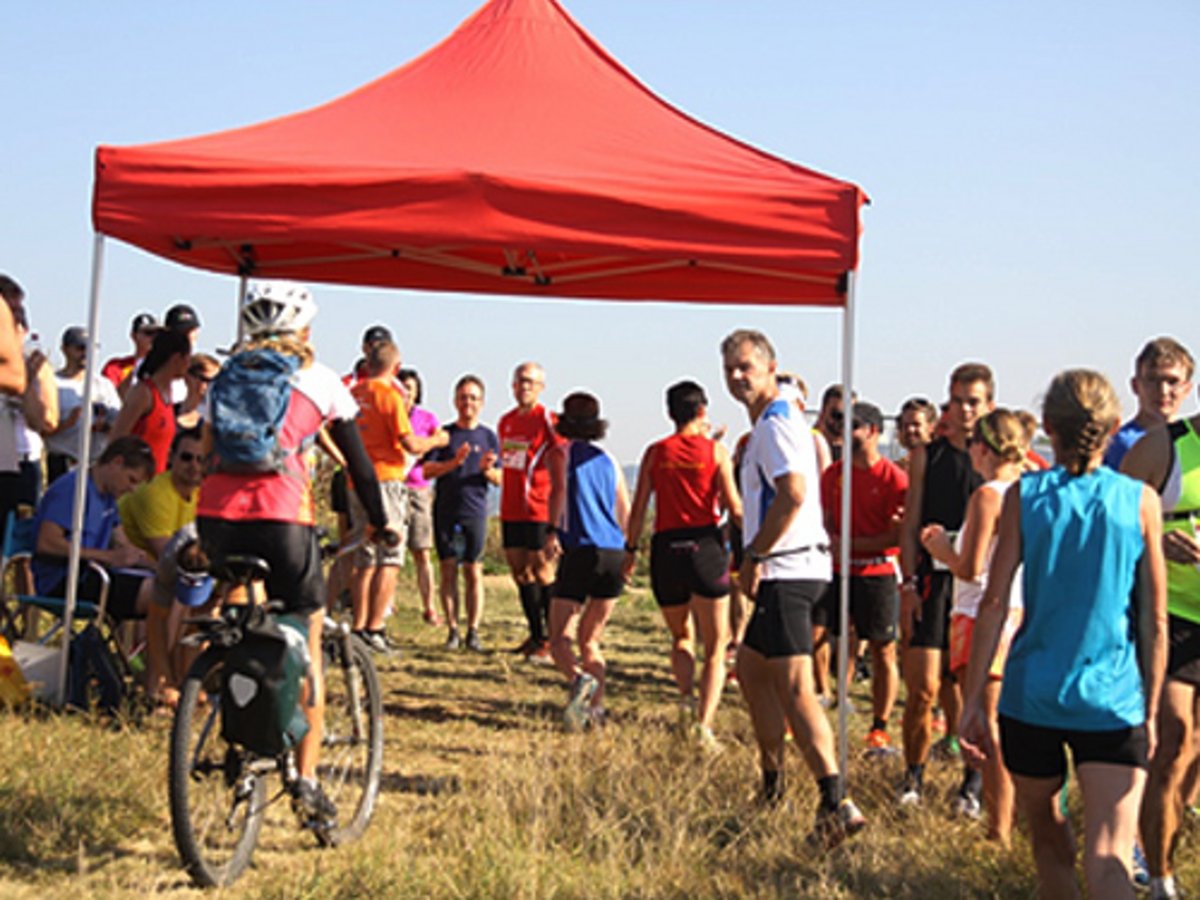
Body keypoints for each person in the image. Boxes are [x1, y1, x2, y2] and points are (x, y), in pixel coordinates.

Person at [961, 369, 1167, 899]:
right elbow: (1156, 618)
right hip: (1114, 698)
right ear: (1116, 426)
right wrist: (1150, 707)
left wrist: (971, 701)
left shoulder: (1024, 496)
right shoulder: (1140, 501)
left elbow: (992, 601)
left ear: (1047, 428)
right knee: (1109, 858)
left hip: (1032, 696)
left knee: (1050, 846)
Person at [197, 280, 391, 827]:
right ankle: (305, 782)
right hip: (283, 520)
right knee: (305, 639)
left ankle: (231, 716)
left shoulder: (223, 378)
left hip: (217, 518)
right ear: (305, 329)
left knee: (239, 620)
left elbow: (204, 454)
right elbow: (360, 467)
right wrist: (380, 523)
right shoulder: (322, 379)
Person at [720, 329, 865, 846]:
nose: (738, 376)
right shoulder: (776, 419)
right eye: (731, 369)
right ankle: (772, 785)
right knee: (752, 670)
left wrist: (756, 553)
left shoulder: (778, 423)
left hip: (788, 569)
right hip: (795, 567)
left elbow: (795, 494)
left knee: (798, 689)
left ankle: (836, 799)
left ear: (770, 366)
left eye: (747, 367)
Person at [920, 408, 1027, 844]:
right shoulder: (1027, 489)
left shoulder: (987, 496)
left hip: (980, 613)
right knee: (1005, 723)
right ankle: (1008, 819)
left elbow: (970, 567)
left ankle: (999, 827)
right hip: (1018, 611)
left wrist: (941, 547)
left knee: (988, 724)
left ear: (982, 448)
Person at [624, 380, 741, 748]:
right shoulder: (715, 452)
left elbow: (640, 506)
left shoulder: (655, 452)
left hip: (666, 549)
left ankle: (686, 700)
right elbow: (735, 508)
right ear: (702, 411)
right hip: (705, 547)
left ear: (669, 413)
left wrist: (631, 550)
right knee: (717, 646)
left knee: (681, 637)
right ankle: (703, 727)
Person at [897, 363, 993, 806]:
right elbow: (911, 519)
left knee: (972, 689)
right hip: (933, 581)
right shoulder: (927, 454)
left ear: (989, 403)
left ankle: (972, 786)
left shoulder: (1000, 457)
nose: (965, 409)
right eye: (957, 400)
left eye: (974, 401)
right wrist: (908, 582)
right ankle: (912, 779)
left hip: (980, 586)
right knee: (923, 687)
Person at [1122, 381, 1200, 899]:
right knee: (1171, 738)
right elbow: (1109, 516)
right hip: (1172, 613)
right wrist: (1155, 539)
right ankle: (1162, 878)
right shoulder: (1166, 446)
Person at [818, 401, 907, 755]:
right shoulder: (833, 475)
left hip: (878, 573)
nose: (844, 432)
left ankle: (880, 725)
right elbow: (826, 519)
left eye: (853, 425)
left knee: (884, 648)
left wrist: (851, 544)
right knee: (829, 637)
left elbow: (895, 536)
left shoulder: (893, 478)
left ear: (872, 431)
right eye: (840, 424)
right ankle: (830, 701)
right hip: (838, 573)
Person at [348, 340, 448, 652]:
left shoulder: (355, 394)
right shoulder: (390, 397)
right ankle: (375, 626)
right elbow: (411, 445)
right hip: (387, 478)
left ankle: (358, 625)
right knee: (389, 555)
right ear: (396, 367)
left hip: (356, 480)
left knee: (364, 556)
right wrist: (437, 440)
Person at [544, 392, 629, 731]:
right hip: (613, 551)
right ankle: (595, 711)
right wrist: (630, 550)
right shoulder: (609, 459)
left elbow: (558, 493)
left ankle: (579, 680)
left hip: (580, 549)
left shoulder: (559, 454)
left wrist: (551, 531)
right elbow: (623, 506)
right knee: (591, 638)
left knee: (558, 636)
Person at [118, 428, 205, 704]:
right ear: (172, 458)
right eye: (187, 457)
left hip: (157, 570)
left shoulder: (201, 494)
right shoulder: (156, 493)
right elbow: (169, 557)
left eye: (201, 460)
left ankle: (188, 679)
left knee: (206, 598)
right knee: (180, 597)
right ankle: (158, 686)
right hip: (128, 569)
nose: (194, 466)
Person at [32, 435, 157, 621]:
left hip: (93, 573)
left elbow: (122, 542)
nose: (132, 489)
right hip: (65, 580)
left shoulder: (108, 496)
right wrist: (107, 556)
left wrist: (159, 566)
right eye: (131, 480)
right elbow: (46, 543)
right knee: (157, 595)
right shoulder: (73, 488)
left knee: (173, 589)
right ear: (117, 462)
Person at [421, 375, 500, 651]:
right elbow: (425, 470)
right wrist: (452, 463)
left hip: (475, 511)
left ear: (482, 403)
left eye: (474, 398)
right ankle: (453, 629)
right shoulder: (444, 435)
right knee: (447, 570)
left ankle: (473, 630)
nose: (468, 403)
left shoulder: (488, 436)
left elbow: (500, 478)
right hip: (445, 509)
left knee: (474, 571)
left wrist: (487, 469)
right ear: (455, 401)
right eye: (464, 397)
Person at [498, 361, 563, 659]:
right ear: (512, 385)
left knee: (543, 570)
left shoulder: (549, 420)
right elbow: (511, 462)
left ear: (540, 387)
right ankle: (535, 635)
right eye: (520, 381)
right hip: (511, 508)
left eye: (530, 382)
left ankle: (553, 638)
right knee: (520, 572)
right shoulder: (506, 421)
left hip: (540, 507)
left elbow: (563, 459)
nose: (524, 386)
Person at [0, 297, 59, 539]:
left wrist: (26, 387)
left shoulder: (35, 367)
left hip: (22, 460)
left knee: (18, 541)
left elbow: (47, 422)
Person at [1105, 337, 1194, 471]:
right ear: (1135, 386)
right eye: (1152, 380)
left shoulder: (1193, 443)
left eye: (1172, 382)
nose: (1163, 391)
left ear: (1187, 389)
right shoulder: (1116, 445)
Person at [109, 328, 190, 473]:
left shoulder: (169, 394)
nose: (188, 365)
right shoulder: (143, 393)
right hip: (133, 485)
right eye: (187, 358)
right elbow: (116, 439)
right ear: (177, 358)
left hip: (155, 485)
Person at [46, 326, 121, 483]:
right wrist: (68, 423)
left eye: (91, 348)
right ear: (65, 349)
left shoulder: (103, 385)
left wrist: (105, 426)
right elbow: (40, 429)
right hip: (64, 462)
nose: (85, 354)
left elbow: (120, 422)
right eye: (80, 348)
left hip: (96, 463)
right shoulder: (52, 384)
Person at [398, 367, 441, 626]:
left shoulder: (426, 418)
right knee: (389, 550)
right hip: (391, 486)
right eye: (401, 390)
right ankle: (387, 605)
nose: (406, 395)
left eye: (410, 390)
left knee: (422, 551)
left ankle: (429, 607)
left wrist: (424, 453)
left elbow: (440, 441)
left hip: (418, 487)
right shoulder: (389, 415)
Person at [101, 312, 157, 397]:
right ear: (134, 336)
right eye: (148, 333)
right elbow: (111, 398)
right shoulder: (115, 367)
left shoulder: (166, 367)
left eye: (156, 334)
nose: (152, 338)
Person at [174, 353, 220, 430]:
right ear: (187, 376)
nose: (211, 386)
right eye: (205, 380)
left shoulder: (216, 420)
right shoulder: (166, 412)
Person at [896, 397, 938, 474]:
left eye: (916, 424)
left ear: (931, 427)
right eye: (906, 425)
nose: (910, 430)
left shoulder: (942, 466)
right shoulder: (896, 470)